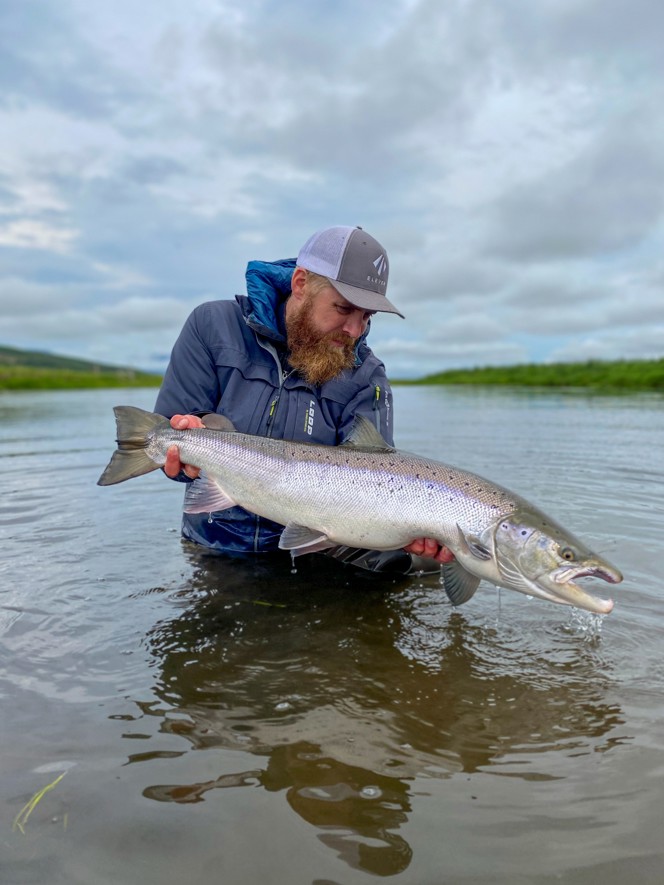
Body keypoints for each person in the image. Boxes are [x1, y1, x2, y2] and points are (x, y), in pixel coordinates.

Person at [154, 224, 452, 571]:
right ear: (300, 284)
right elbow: (166, 443)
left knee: (416, 564)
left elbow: (374, 483)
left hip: (309, 559)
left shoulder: (367, 377)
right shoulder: (213, 326)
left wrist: (404, 532)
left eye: (366, 316)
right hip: (212, 546)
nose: (355, 331)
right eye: (343, 308)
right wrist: (180, 452)